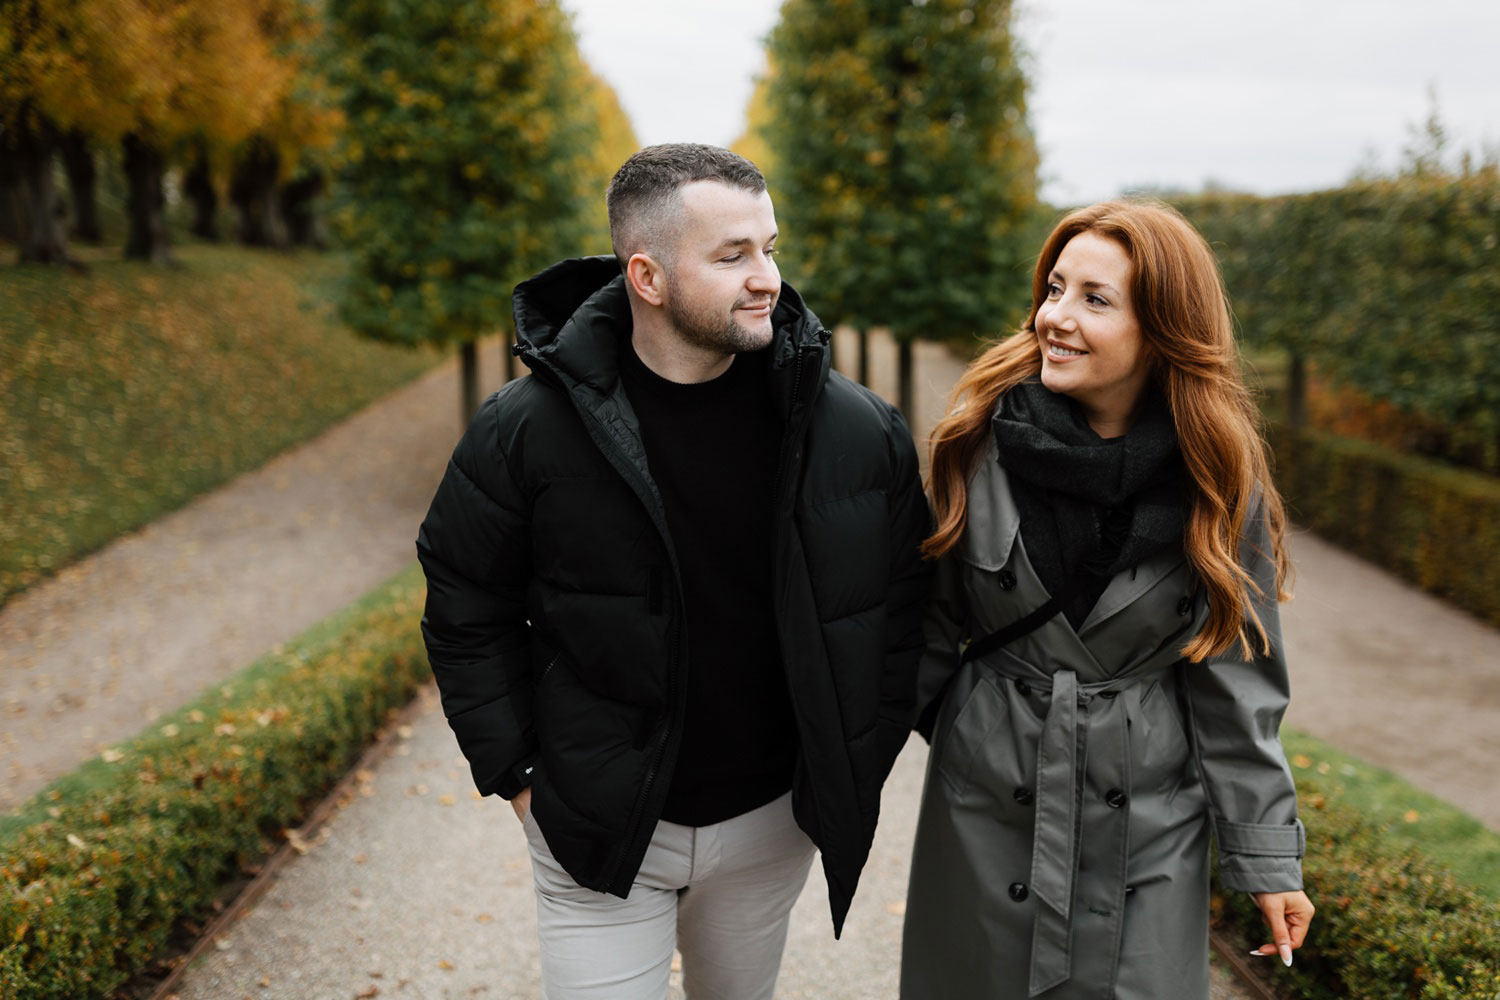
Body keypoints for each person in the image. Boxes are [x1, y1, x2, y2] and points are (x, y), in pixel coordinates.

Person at [415, 143, 932, 999]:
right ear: (647, 277)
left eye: (769, 247)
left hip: (770, 826)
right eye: (732, 256)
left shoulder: (857, 430)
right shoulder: (525, 427)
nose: (766, 276)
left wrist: (848, 760)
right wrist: (518, 775)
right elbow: (464, 598)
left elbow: (902, 606)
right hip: (598, 825)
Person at [900, 200, 1315, 999]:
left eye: (1094, 298)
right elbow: (923, 639)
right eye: (1055, 288)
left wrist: (1268, 862)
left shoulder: (1222, 485)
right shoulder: (976, 445)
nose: (1055, 316)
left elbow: (1237, 689)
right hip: (984, 813)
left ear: (1162, 329)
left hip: (1149, 835)